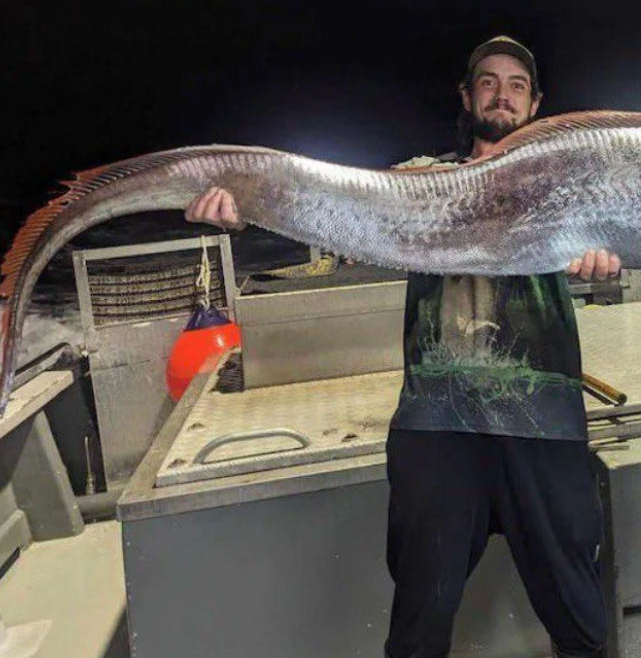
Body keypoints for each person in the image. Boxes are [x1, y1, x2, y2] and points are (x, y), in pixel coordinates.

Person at [185, 35, 616, 658]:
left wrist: (605, 262)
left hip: (543, 420)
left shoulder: (572, 185)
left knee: (579, 616)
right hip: (437, 421)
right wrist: (245, 206)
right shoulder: (420, 180)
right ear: (466, 97)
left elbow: (629, 237)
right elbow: (328, 204)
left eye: (518, 85)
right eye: (489, 81)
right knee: (420, 617)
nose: (503, 94)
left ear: (537, 105)